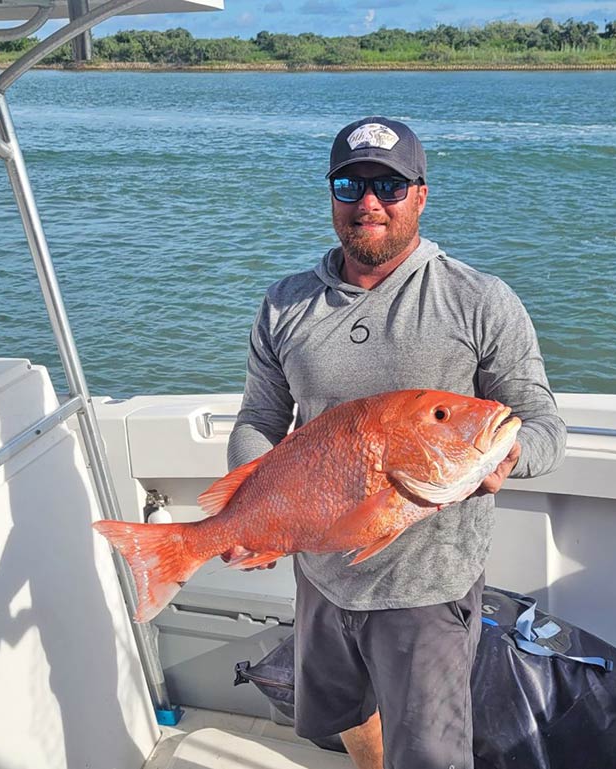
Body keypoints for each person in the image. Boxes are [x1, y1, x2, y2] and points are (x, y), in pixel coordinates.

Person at [226, 116, 567, 769]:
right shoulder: (284, 304)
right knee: (347, 714)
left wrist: (509, 457)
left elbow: (541, 424)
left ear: (420, 194)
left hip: (427, 587)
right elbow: (260, 417)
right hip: (321, 576)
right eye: (350, 183)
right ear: (332, 193)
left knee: (431, 755)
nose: (369, 203)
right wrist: (253, 504)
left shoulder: (479, 301)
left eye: (389, 184)